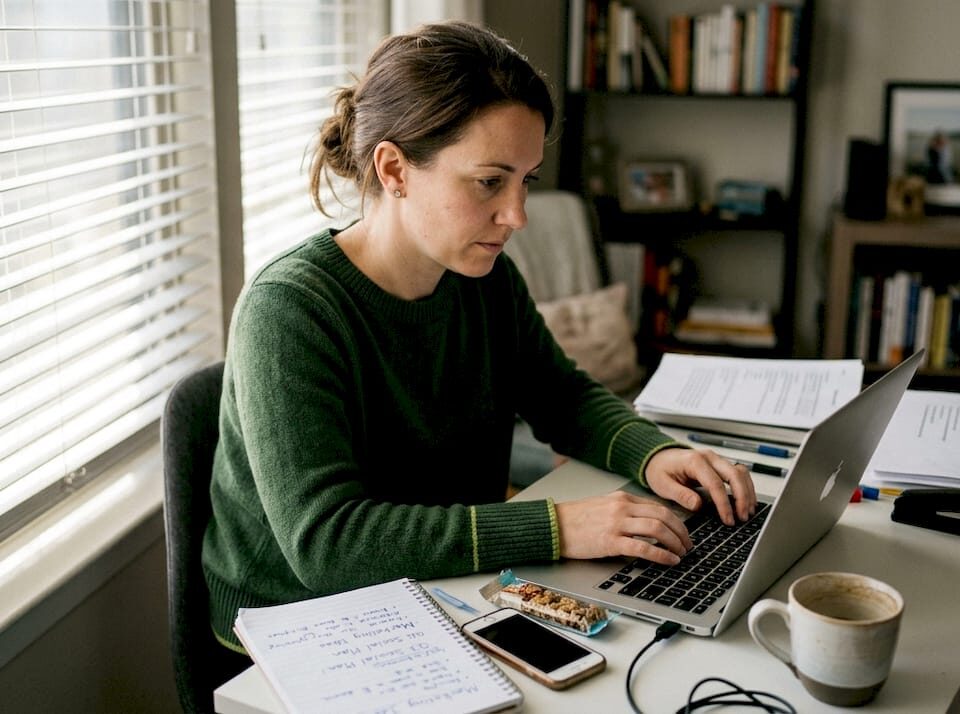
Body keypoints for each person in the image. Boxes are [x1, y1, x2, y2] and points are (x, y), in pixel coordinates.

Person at [202, 20, 756, 652]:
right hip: (300, 625)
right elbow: (328, 546)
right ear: (394, 169)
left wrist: (656, 454)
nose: (516, 215)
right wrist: (558, 528)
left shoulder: (483, 277)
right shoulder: (291, 310)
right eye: (490, 181)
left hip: (443, 590)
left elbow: (562, 396)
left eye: (527, 181)